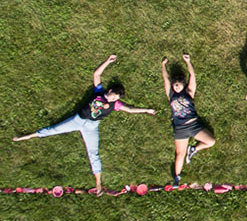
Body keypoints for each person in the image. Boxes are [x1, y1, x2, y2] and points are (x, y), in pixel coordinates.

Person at [12, 55, 156, 196]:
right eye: (114, 95)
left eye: (117, 98)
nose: (114, 98)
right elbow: (97, 74)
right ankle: (26, 136)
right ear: (110, 90)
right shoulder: (99, 92)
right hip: (78, 120)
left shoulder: (115, 105)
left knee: (93, 153)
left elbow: (130, 109)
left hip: (92, 127)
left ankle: (98, 184)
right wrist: (107, 61)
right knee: (53, 130)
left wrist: (146, 110)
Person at [160, 54, 216, 186]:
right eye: (175, 84)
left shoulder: (189, 92)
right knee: (180, 154)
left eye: (178, 84)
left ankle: (194, 149)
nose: (176, 86)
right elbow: (165, 79)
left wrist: (188, 62)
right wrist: (163, 66)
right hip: (180, 129)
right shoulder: (171, 95)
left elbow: (193, 76)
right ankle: (177, 177)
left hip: (194, 125)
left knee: (211, 141)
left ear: (183, 84)